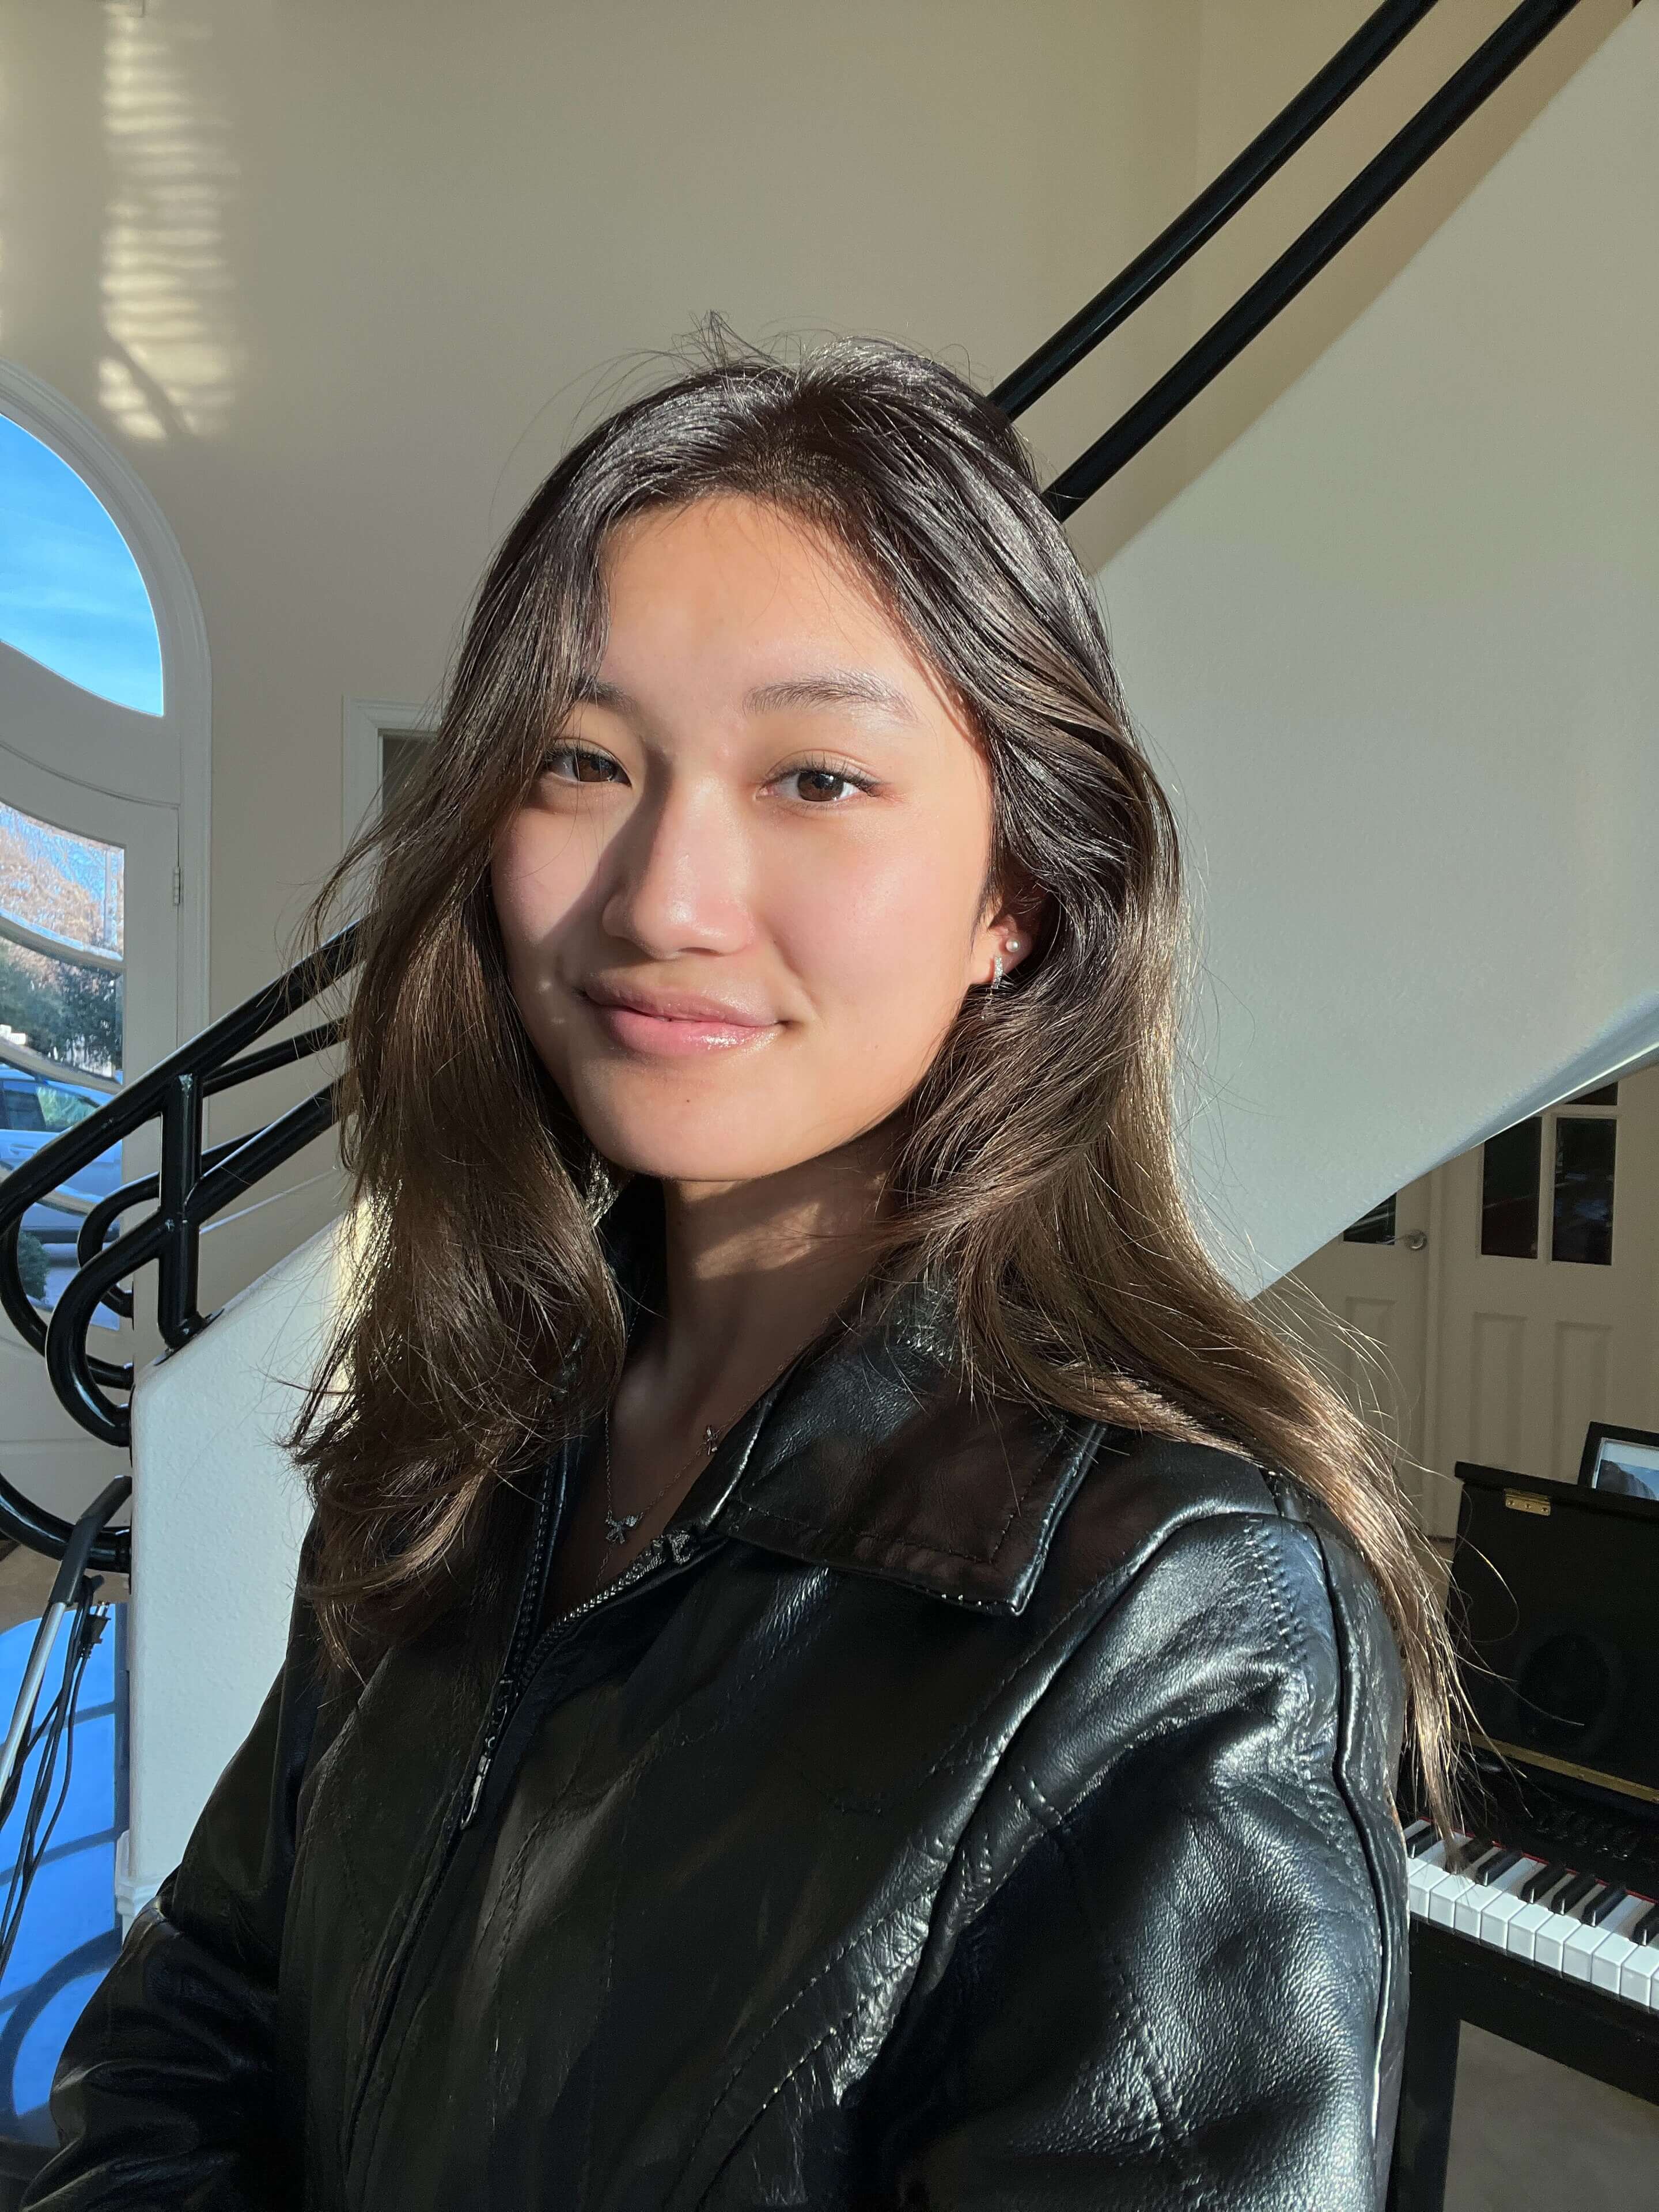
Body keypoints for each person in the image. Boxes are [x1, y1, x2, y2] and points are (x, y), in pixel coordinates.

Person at [24, 323, 1455, 2210]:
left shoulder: (1178, 1627)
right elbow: (190, 2026)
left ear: (1017, 898)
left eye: (817, 779)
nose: (663, 899)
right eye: (583, 761)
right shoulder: (470, 1443)